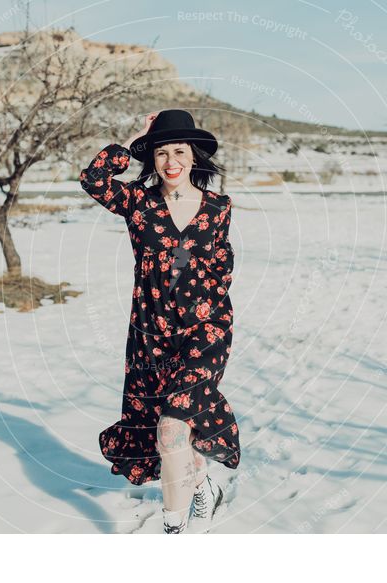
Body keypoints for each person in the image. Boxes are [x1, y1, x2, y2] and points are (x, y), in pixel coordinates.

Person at [79, 109, 240, 534]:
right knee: (173, 433)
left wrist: (195, 287)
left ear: (194, 157)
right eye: (162, 152)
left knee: (171, 428)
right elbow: (93, 180)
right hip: (151, 333)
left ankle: (175, 533)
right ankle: (204, 488)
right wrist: (135, 138)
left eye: (180, 151)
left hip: (205, 331)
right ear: (151, 158)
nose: (171, 161)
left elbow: (221, 269)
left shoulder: (218, 208)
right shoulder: (138, 203)